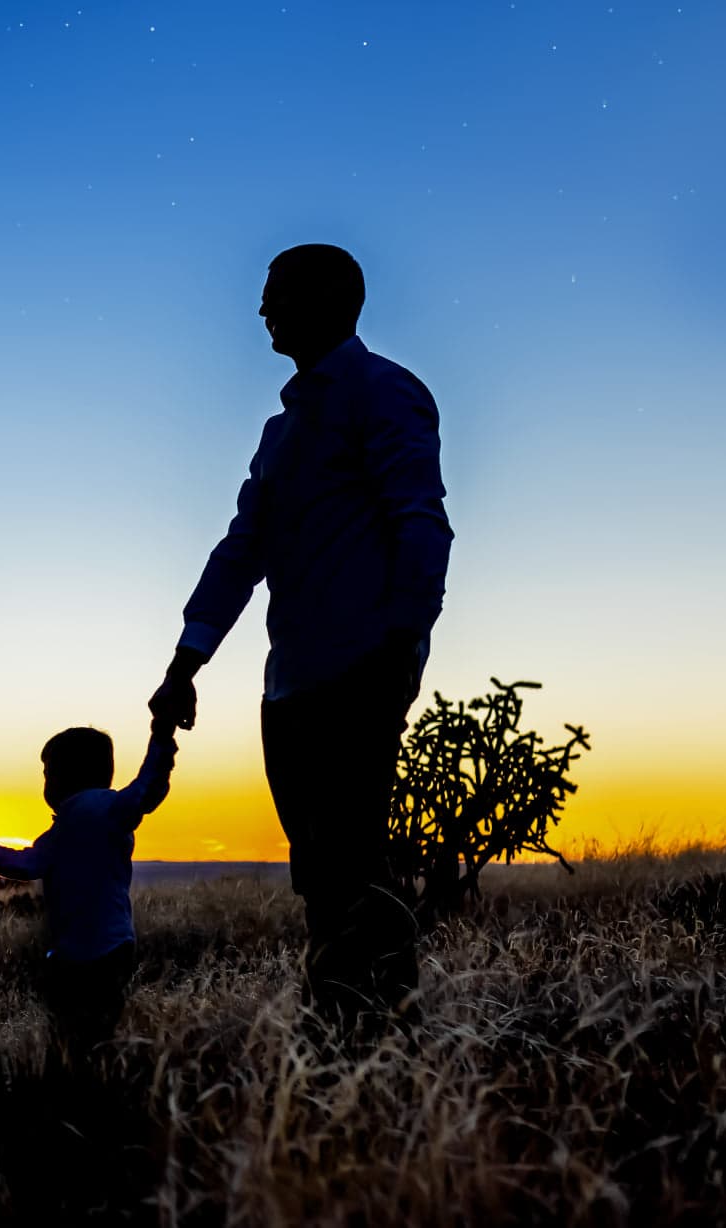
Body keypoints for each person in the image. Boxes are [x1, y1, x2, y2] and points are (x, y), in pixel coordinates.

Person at [150, 244, 453, 1036]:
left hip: (359, 672)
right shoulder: (280, 433)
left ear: (328, 297)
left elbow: (421, 523)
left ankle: (378, 1043)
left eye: (274, 294)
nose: (260, 311)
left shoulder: (385, 393)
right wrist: (186, 661)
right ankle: (339, 1039)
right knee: (319, 873)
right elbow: (240, 549)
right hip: (288, 688)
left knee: (352, 862)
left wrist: (399, 647)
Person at [0, 720, 177, 1067]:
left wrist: (162, 738)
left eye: (48, 772)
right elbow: (29, 863)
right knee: (88, 1034)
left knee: (81, 1033)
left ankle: (87, 1085)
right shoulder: (69, 824)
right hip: (91, 950)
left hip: (98, 950)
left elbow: (147, 788)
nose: (45, 782)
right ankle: (87, 1080)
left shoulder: (104, 809)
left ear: (68, 774)